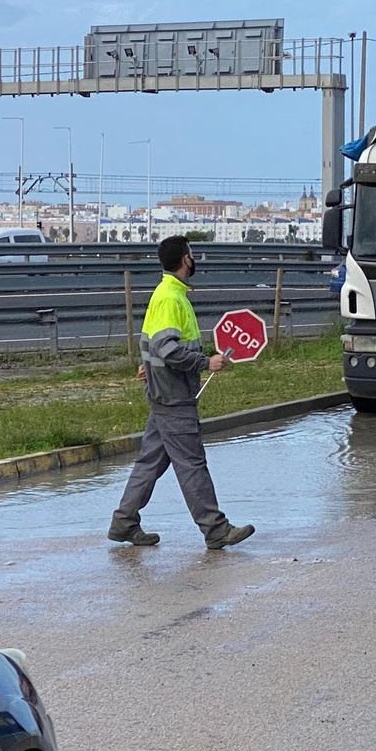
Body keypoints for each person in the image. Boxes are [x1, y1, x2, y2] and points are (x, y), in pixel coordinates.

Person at [108, 236, 255, 550]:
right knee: (191, 463)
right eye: (192, 253)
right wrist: (206, 361)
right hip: (174, 396)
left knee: (150, 462)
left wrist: (148, 366)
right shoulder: (171, 298)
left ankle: (124, 522)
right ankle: (216, 530)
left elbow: (152, 344)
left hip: (163, 391)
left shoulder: (168, 294)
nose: (194, 258)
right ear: (185, 259)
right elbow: (167, 348)